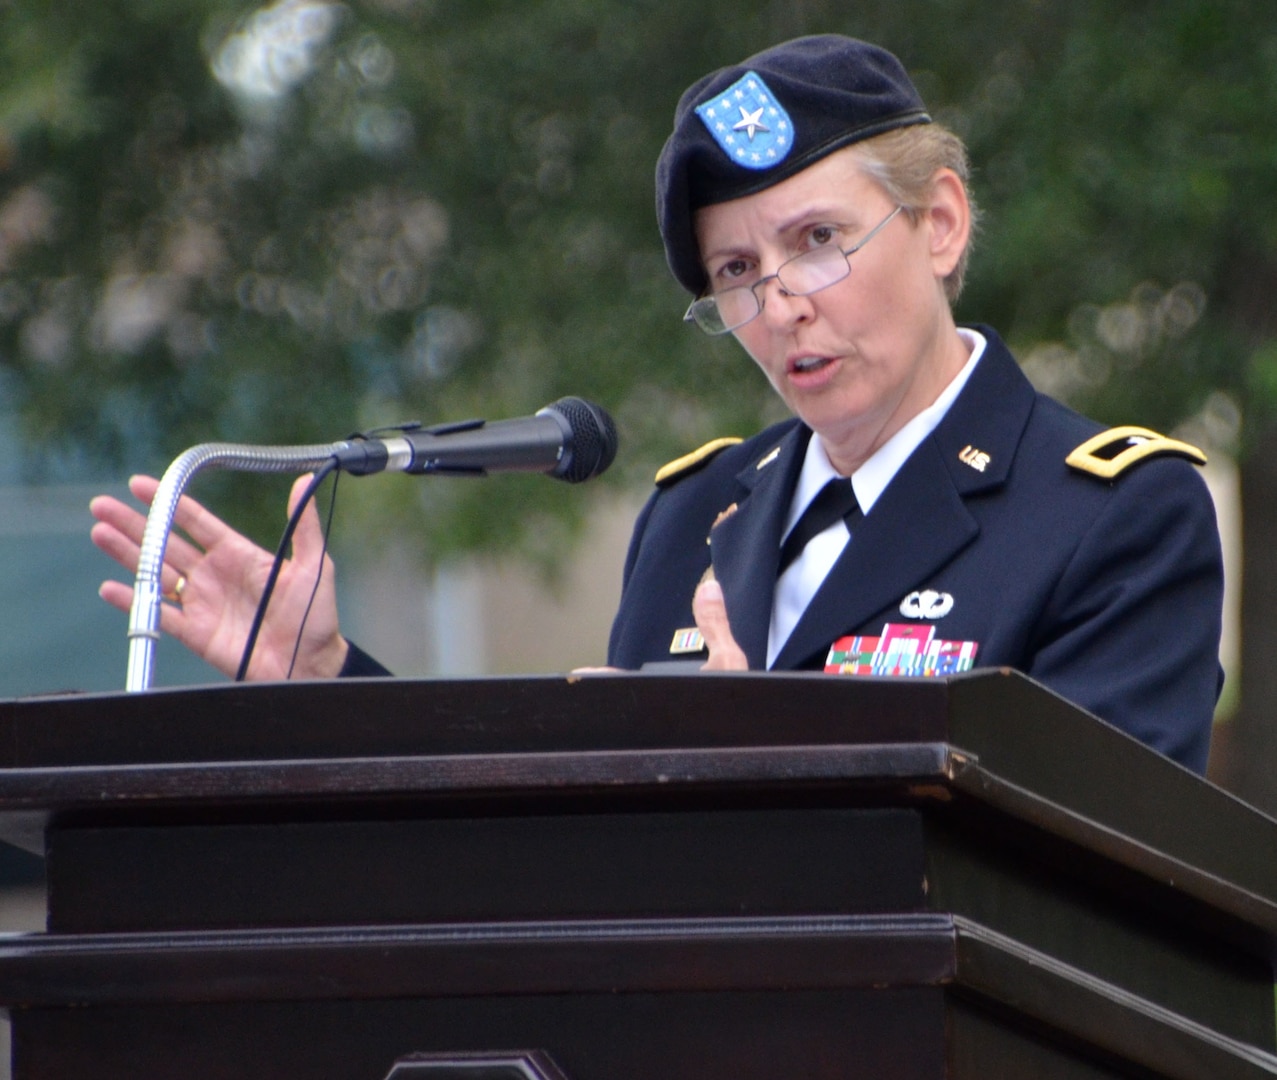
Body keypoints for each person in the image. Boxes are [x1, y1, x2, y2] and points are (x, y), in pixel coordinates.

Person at [90, 35, 1224, 773]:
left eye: (817, 242)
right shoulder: (696, 515)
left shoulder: (1111, 515)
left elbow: (1096, 889)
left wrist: (761, 757)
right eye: (734, 273)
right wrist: (326, 682)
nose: (778, 303)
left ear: (938, 224)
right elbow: (570, 846)